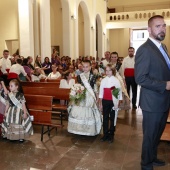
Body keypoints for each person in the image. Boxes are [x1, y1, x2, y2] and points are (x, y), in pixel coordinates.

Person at [135, 15, 170, 170]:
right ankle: (146, 164)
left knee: (157, 135)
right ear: (149, 30)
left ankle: (153, 157)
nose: (162, 29)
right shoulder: (144, 50)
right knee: (150, 136)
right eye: (158, 26)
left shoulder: (163, 47)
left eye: (164, 25)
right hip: (152, 102)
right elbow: (140, 78)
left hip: (164, 100)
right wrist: (165, 85)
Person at [67, 60, 102, 136]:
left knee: (88, 113)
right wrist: (77, 91)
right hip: (81, 96)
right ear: (82, 67)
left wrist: (97, 99)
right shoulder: (79, 76)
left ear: (90, 67)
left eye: (87, 67)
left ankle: (88, 130)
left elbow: (95, 89)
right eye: (84, 67)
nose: (85, 68)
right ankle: (78, 130)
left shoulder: (94, 77)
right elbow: (78, 85)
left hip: (89, 97)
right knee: (78, 112)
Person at [99, 64, 122, 143]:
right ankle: (105, 134)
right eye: (106, 70)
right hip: (105, 100)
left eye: (109, 70)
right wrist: (100, 102)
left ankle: (111, 134)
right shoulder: (103, 80)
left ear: (113, 71)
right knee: (105, 118)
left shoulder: (116, 80)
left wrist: (119, 101)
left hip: (113, 102)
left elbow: (119, 92)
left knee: (112, 118)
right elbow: (101, 92)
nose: (108, 72)